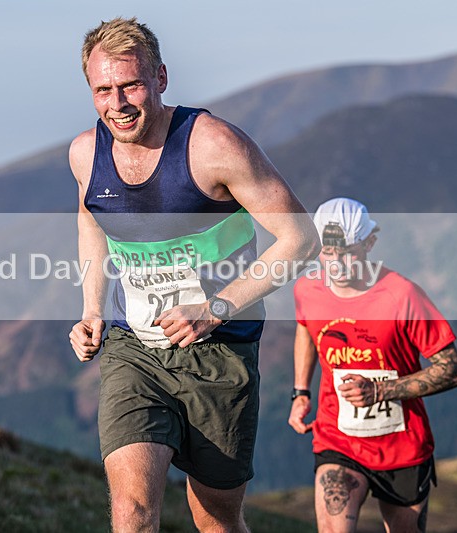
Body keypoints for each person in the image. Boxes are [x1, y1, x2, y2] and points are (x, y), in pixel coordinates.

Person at [67, 17, 319, 532]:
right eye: (103, 91)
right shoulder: (85, 154)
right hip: (134, 348)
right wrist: (92, 309)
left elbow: (302, 238)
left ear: (160, 78)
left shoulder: (213, 145)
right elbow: (91, 220)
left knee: (217, 519)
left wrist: (215, 308)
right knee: (132, 510)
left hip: (220, 352)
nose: (118, 104)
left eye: (131, 85)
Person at [288, 197, 457, 533]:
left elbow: (453, 369)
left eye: (347, 251)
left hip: (402, 447)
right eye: (327, 252)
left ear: (369, 243)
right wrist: (300, 391)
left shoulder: (402, 295)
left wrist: (381, 390)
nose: (336, 262)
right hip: (337, 439)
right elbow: (305, 329)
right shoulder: (307, 289)